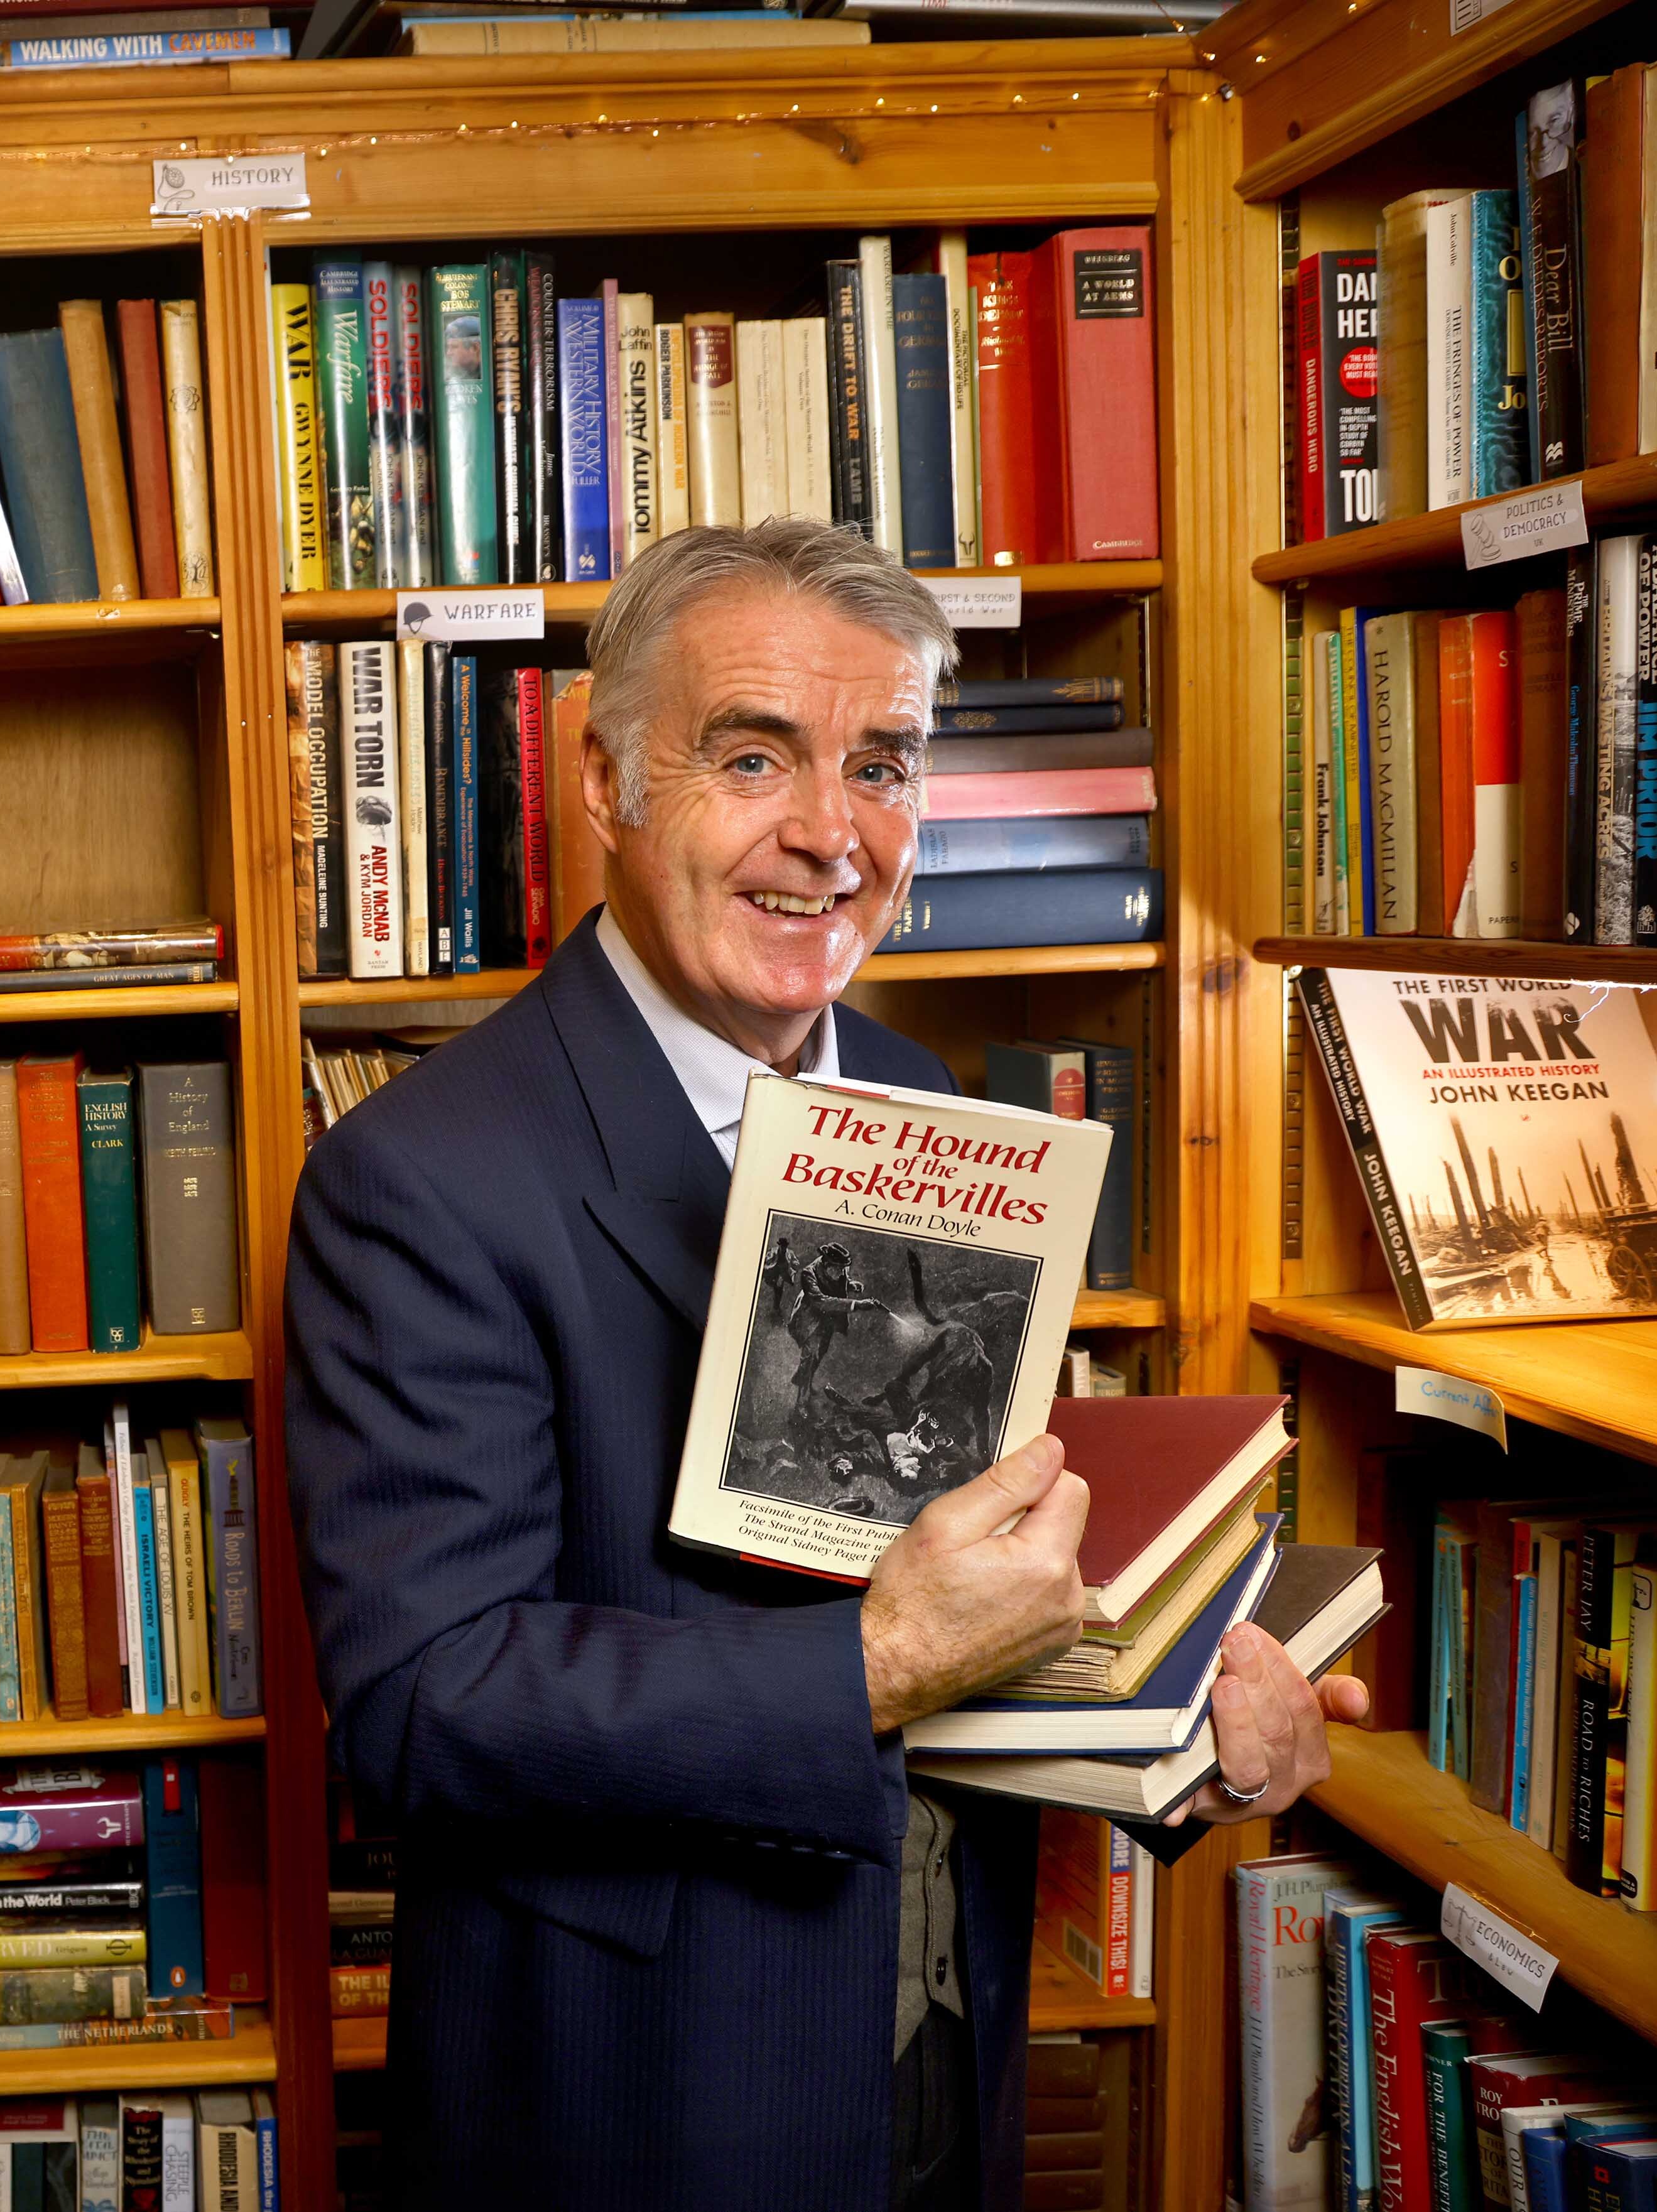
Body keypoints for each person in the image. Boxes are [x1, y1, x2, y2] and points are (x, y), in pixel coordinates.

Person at [281, 518, 1367, 2209]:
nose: (828, 835)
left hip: (934, 2062)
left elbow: (974, 1610)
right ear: (608, 783)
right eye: (751, 756)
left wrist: (1186, 1728)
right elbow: (427, 1705)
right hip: (633, 2109)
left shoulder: (947, 1112)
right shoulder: (419, 1179)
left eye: (883, 766)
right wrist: (871, 1656)